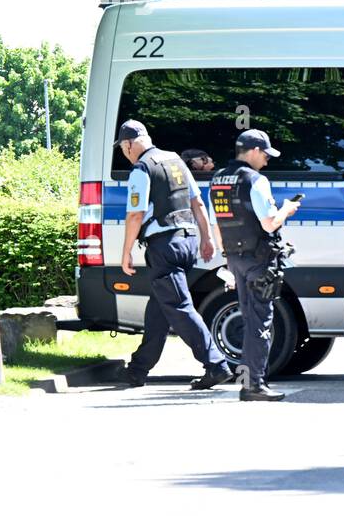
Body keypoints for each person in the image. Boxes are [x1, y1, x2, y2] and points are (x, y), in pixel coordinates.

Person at [116, 120, 232, 390]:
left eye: (124, 148)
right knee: (159, 308)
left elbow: (135, 215)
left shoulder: (142, 169)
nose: (125, 153)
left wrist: (126, 252)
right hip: (187, 241)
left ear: (130, 144)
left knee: (179, 307)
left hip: (164, 246)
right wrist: (206, 239)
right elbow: (197, 201)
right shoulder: (176, 161)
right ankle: (137, 370)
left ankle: (216, 365)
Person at [209, 129, 301, 401]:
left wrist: (225, 257)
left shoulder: (218, 179)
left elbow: (217, 224)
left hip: (235, 259)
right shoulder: (256, 180)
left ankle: (250, 383)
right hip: (259, 261)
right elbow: (269, 222)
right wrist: (286, 209)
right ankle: (254, 385)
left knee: (249, 319)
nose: (267, 160)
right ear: (252, 151)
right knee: (260, 322)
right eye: (265, 154)